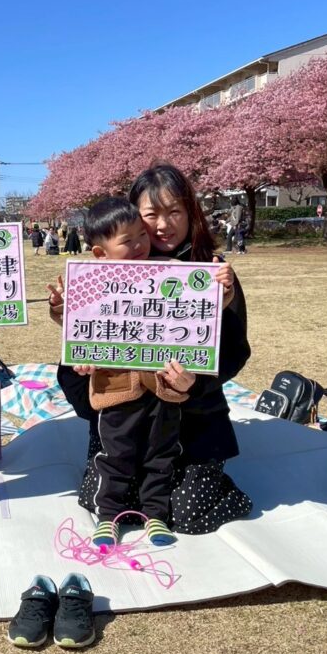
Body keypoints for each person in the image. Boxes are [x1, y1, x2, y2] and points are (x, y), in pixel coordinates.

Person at [57, 165, 253, 535]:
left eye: (174, 211)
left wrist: (195, 381)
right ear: (132, 216)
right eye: (151, 214)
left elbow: (234, 353)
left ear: (191, 213)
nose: (163, 225)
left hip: (191, 419)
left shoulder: (211, 273)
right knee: (107, 499)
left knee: (184, 513)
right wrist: (84, 365)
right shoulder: (100, 275)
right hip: (122, 420)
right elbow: (74, 364)